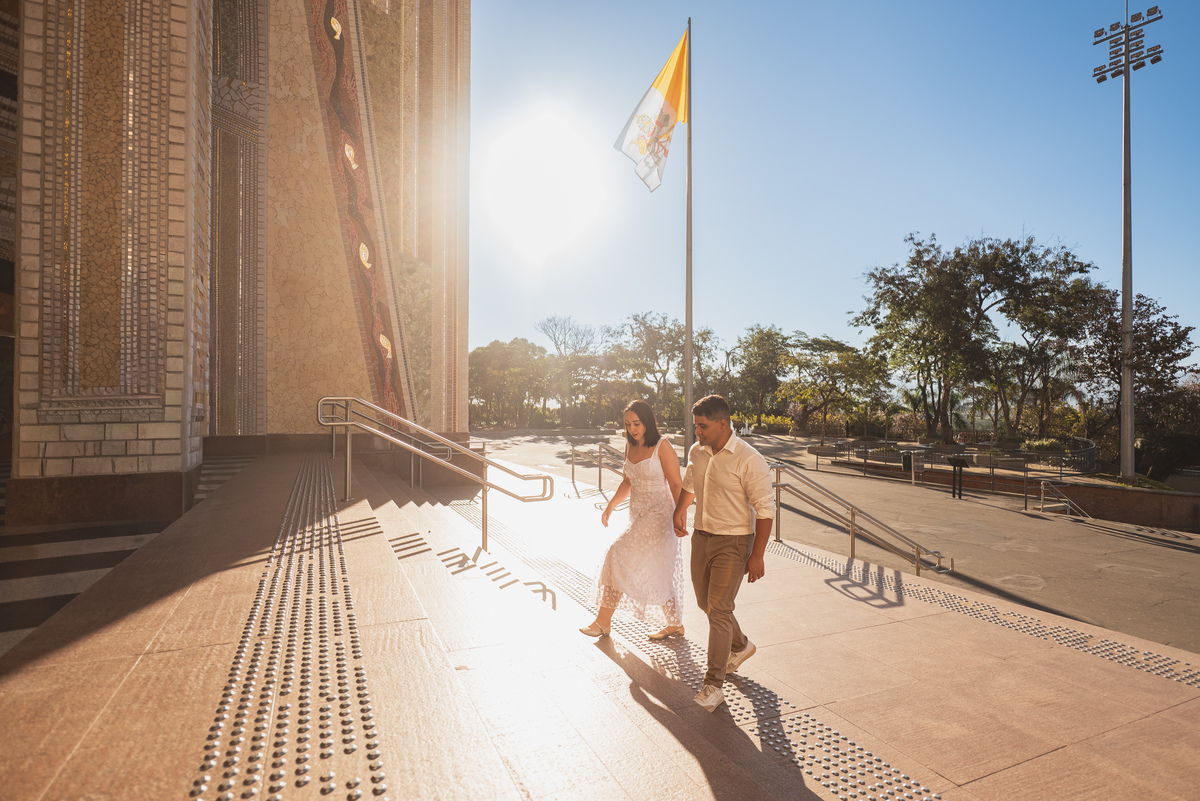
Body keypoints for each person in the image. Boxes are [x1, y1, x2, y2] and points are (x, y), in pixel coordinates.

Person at [672, 395, 774, 712]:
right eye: (696, 426)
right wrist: (679, 510)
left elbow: (765, 509)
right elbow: (690, 484)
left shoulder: (749, 459)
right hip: (702, 537)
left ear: (722, 424)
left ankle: (713, 685)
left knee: (718, 610)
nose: (698, 432)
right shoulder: (697, 452)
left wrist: (757, 555)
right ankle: (740, 645)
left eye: (703, 426)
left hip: (734, 542)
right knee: (706, 603)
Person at [580, 400, 685, 640]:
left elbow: (676, 483)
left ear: (647, 421)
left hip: (660, 515)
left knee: (616, 554)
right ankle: (675, 624)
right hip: (638, 514)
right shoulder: (629, 446)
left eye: (636, 423)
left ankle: (603, 621)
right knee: (658, 567)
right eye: (627, 424)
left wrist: (680, 516)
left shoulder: (663, 446)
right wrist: (610, 506)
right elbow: (628, 481)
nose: (632, 429)